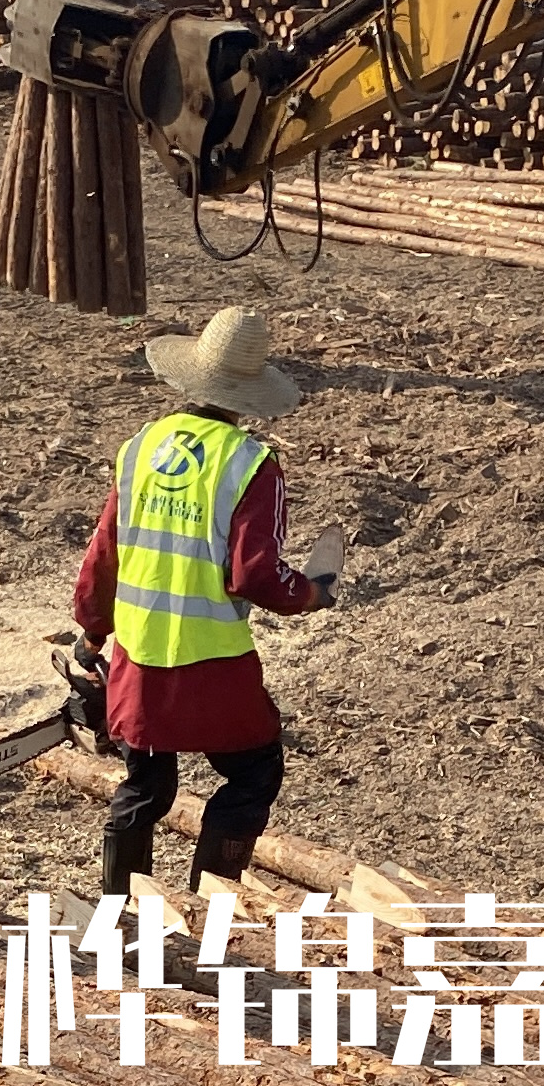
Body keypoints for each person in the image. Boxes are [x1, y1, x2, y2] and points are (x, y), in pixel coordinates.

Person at [70, 305, 344, 902]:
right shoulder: (250, 464)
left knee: (145, 786)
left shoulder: (141, 447)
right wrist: (310, 594)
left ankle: (120, 909)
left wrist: (92, 631)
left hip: (138, 654)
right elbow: (254, 575)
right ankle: (215, 905)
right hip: (213, 660)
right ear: (250, 392)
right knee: (253, 773)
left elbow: (106, 550)